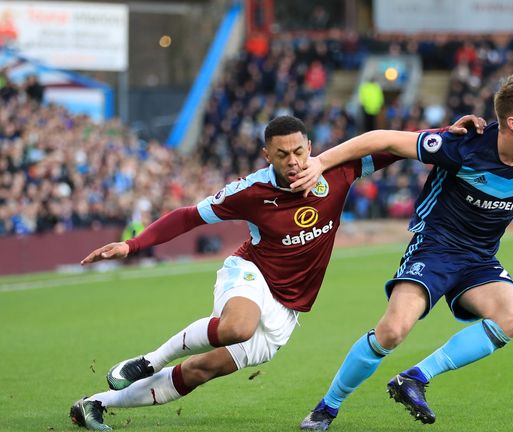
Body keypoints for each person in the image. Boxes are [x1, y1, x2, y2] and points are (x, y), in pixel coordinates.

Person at [69, 115, 480, 431]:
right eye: (282, 155)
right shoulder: (250, 191)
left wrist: (449, 131)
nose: (293, 161)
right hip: (250, 274)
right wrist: (131, 244)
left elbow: (394, 146)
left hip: (288, 310)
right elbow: (188, 216)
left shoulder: (337, 171)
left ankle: (96, 404)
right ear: (268, 155)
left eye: (299, 151)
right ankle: (147, 359)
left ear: (310, 146)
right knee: (237, 327)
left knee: (201, 369)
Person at [291, 77, 513, 430]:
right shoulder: (463, 147)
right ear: (512, 123)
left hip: (480, 258)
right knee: (393, 331)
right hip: (435, 247)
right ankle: (327, 407)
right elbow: (383, 139)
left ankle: (414, 378)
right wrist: (320, 162)